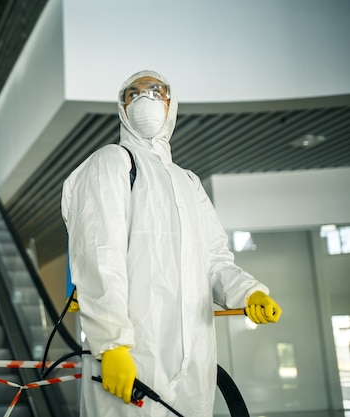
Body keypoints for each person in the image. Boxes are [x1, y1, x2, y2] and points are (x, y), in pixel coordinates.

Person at [61, 69, 282, 417]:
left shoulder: (188, 182)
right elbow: (99, 258)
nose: (145, 99)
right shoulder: (112, 163)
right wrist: (112, 344)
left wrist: (249, 291)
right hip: (132, 360)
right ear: (122, 107)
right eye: (133, 93)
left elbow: (213, 260)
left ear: (170, 102)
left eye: (155, 91)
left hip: (195, 362)